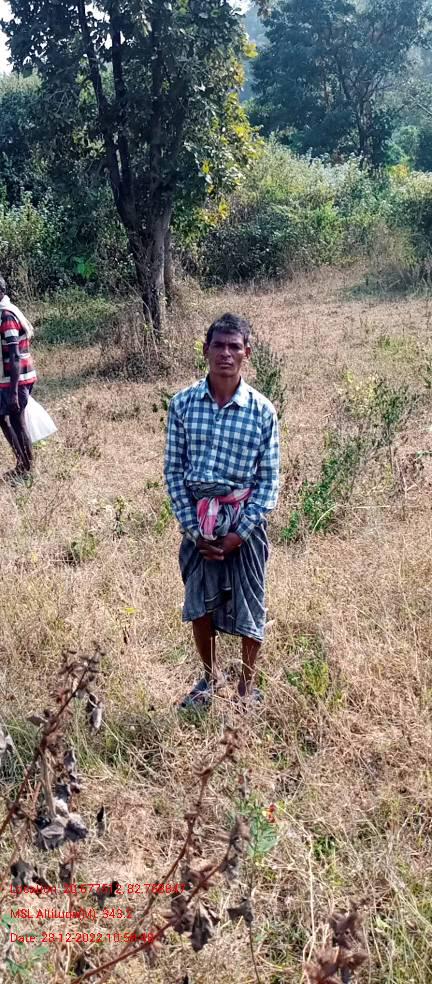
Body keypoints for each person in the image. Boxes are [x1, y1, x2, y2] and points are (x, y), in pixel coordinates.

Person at [164, 313, 280, 708]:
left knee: (251, 603)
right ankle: (210, 679)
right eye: (219, 345)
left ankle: (247, 686)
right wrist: (194, 529)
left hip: (244, 523)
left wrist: (238, 534)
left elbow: (269, 481)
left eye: (234, 347)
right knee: (199, 603)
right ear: (205, 350)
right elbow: (174, 471)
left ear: (247, 353)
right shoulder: (183, 404)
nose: (226, 354)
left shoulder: (262, 411)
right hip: (200, 523)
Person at [0, 275, 37, 477]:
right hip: (9, 379)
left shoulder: (6, 316)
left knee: (17, 420)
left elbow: (14, 355)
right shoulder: (6, 310)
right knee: (4, 418)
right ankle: (23, 465)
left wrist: (14, 392)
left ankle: (28, 470)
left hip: (16, 380)